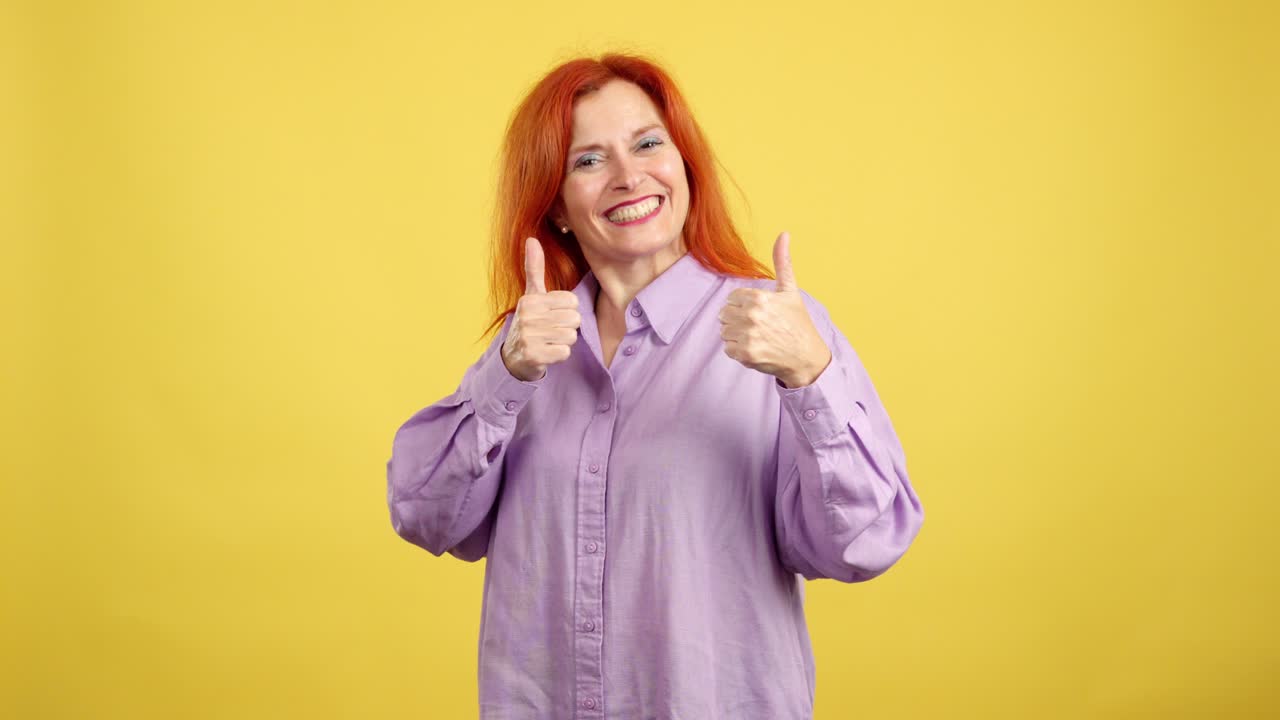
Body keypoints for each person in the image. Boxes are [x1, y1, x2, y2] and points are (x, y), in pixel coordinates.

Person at [386, 52, 924, 720]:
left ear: (683, 164)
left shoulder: (780, 330)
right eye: (589, 160)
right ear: (554, 205)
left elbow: (863, 545)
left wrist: (810, 377)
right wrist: (506, 376)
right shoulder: (531, 346)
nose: (628, 175)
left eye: (647, 144)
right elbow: (424, 515)